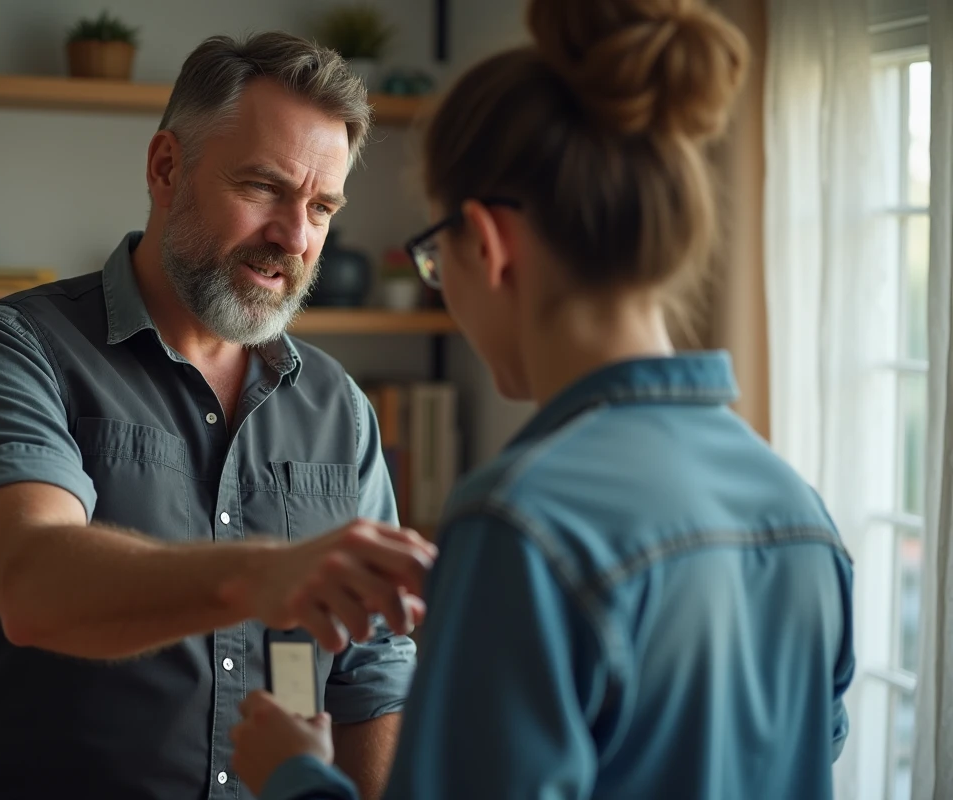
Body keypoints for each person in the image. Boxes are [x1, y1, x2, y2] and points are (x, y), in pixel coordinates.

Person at [229, 0, 857, 798]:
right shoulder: (798, 509)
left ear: (488, 245)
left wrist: (295, 778)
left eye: (434, 257)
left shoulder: (519, 520)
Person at [0, 31, 437, 800]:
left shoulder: (342, 411)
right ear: (167, 168)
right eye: (264, 187)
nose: (295, 238)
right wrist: (267, 574)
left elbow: (372, 677)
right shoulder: (13, 350)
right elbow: (32, 581)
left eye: (321, 206)